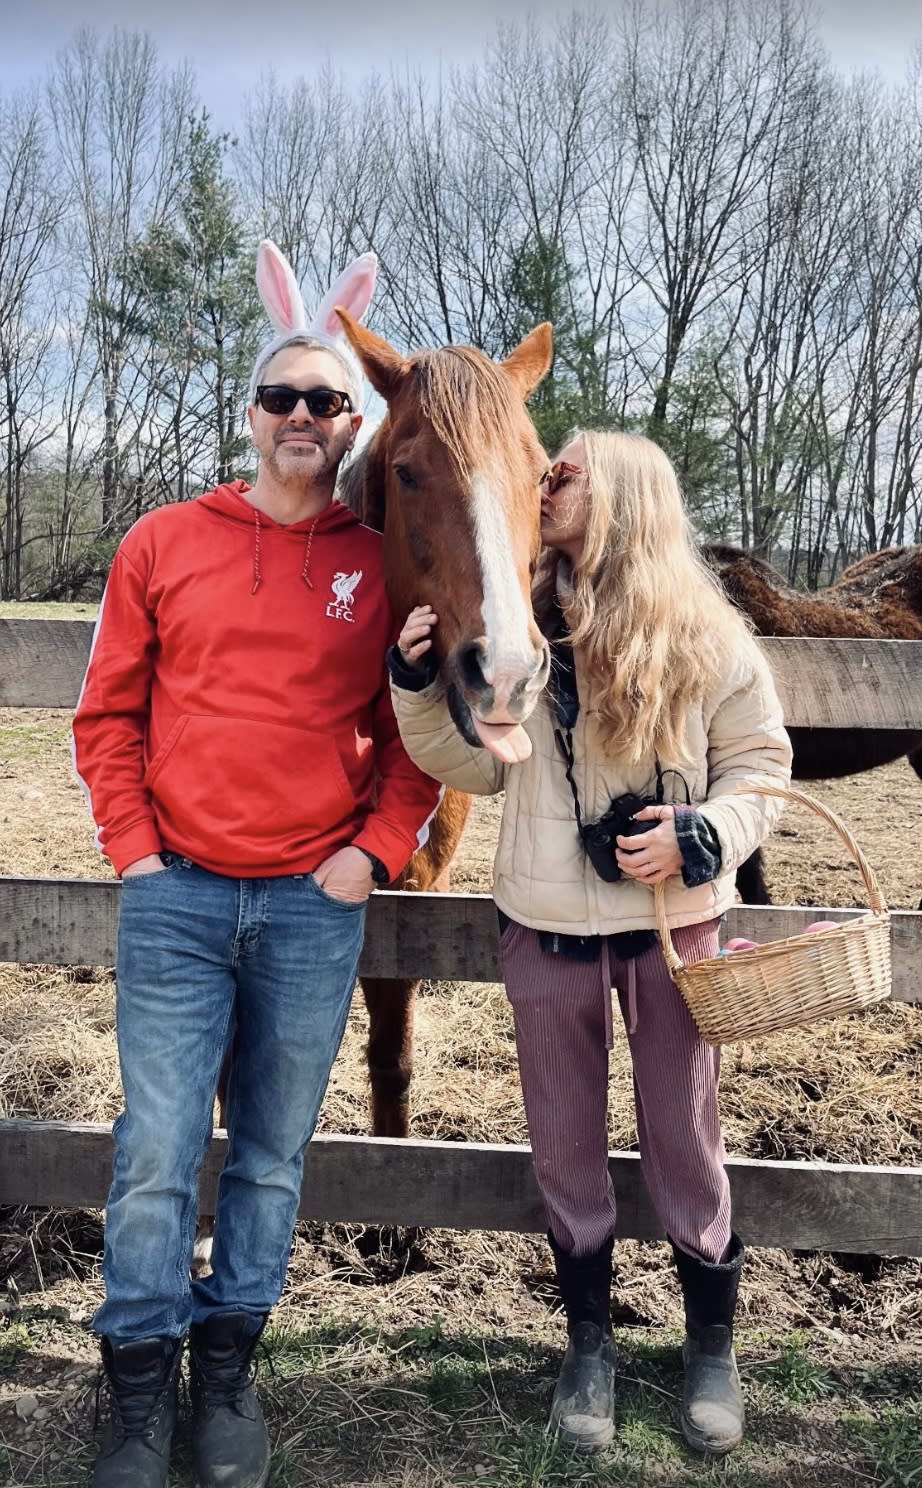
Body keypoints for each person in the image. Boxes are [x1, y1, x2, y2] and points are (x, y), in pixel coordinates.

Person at [72, 241, 442, 1488]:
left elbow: (414, 736)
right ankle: (136, 1386)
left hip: (307, 906)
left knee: (273, 1154)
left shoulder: (373, 566)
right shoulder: (165, 540)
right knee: (158, 1149)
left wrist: (374, 852)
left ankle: (226, 1374)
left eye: (326, 401)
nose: (301, 417)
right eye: (282, 396)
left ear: (350, 426)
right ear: (251, 414)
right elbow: (106, 713)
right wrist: (132, 851)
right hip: (175, 894)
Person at [388, 429, 792, 1457]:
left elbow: (760, 764)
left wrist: (707, 834)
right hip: (547, 930)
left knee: (685, 1141)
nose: (544, 478)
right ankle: (588, 1348)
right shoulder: (515, 619)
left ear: (623, 494)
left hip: (671, 929)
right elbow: (467, 767)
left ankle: (711, 1345)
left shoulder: (707, 633)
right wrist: (409, 684)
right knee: (563, 1148)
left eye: (562, 468)